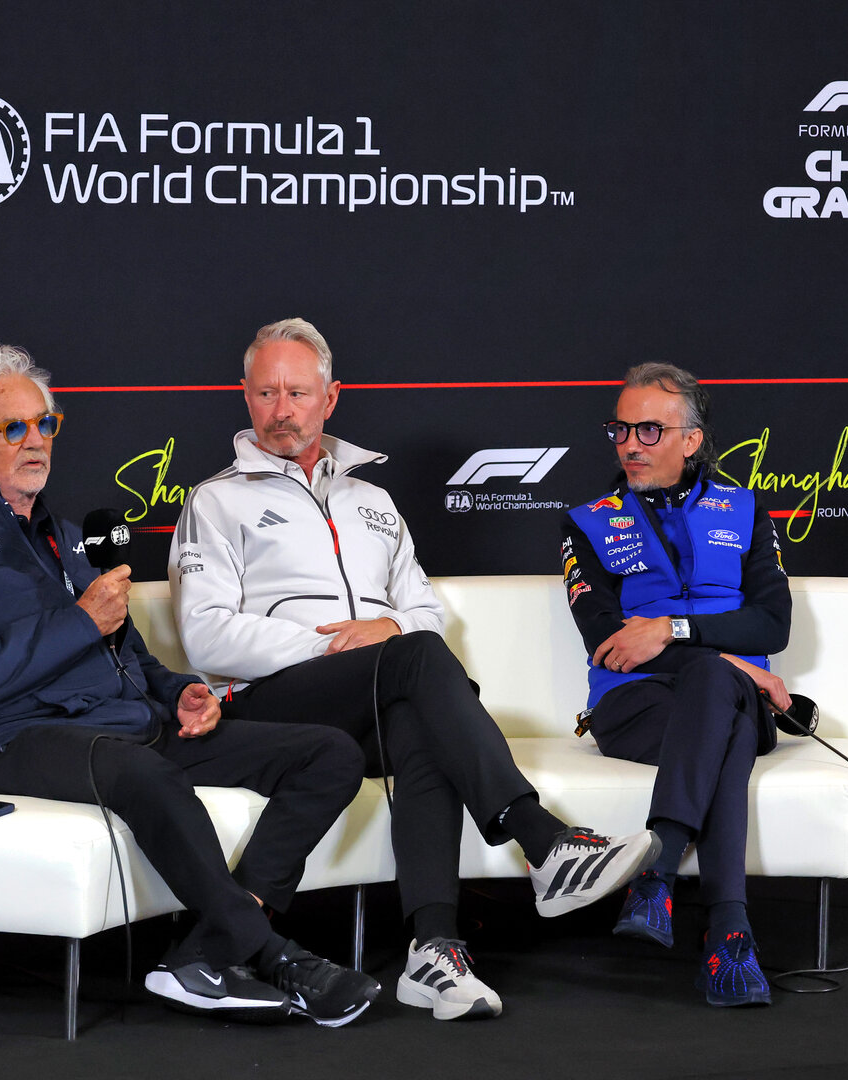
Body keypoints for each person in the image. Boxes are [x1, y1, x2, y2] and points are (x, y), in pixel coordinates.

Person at [0, 343, 382, 1027]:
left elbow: (129, 654)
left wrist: (178, 694)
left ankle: (202, 954)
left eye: (44, 424)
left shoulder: (65, 537)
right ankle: (278, 958)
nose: (35, 442)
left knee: (329, 753)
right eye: (13, 428)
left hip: (124, 725)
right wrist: (79, 623)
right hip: (6, 740)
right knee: (143, 773)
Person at [169, 318, 660, 1022]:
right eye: (266, 393)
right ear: (244, 399)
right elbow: (206, 636)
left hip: (372, 700)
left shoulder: (374, 503)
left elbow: (424, 614)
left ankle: (433, 951)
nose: (283, 410)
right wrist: (343, 646)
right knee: (417, 667)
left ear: (330, 399)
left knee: (419, 716)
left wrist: (390, 632)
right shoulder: (216, 502)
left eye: (298, 393)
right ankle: (543, 842)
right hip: (270, 707)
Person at [561, 362, 793, 1007]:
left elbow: (772, 621)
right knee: (727, 711)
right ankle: (728, 935)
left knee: (719, 697)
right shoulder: (586, 520)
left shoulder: (744, 509)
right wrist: (739, 663)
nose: (630, 445)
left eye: (649, 431)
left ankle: (657, 870)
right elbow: (609, 644)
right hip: (631, 706)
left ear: (691, 439)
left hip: (717, 695)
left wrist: (672, 630)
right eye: (620, 430)